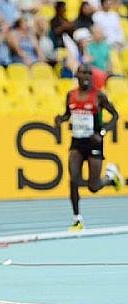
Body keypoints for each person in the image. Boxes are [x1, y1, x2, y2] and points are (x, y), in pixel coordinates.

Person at [55, 64, 123, 232]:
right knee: (73, 178)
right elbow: (67, 114)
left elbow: (115, 116)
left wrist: (102, 131)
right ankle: (77, 219)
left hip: (94, 143)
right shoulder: (71, 95)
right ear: (76, 75)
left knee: (93, 187)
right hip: (77, 143)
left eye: (89, 73)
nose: (86, 76)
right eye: (82, 72)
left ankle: (110, 177)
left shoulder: (98, 96)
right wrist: (61, 119)